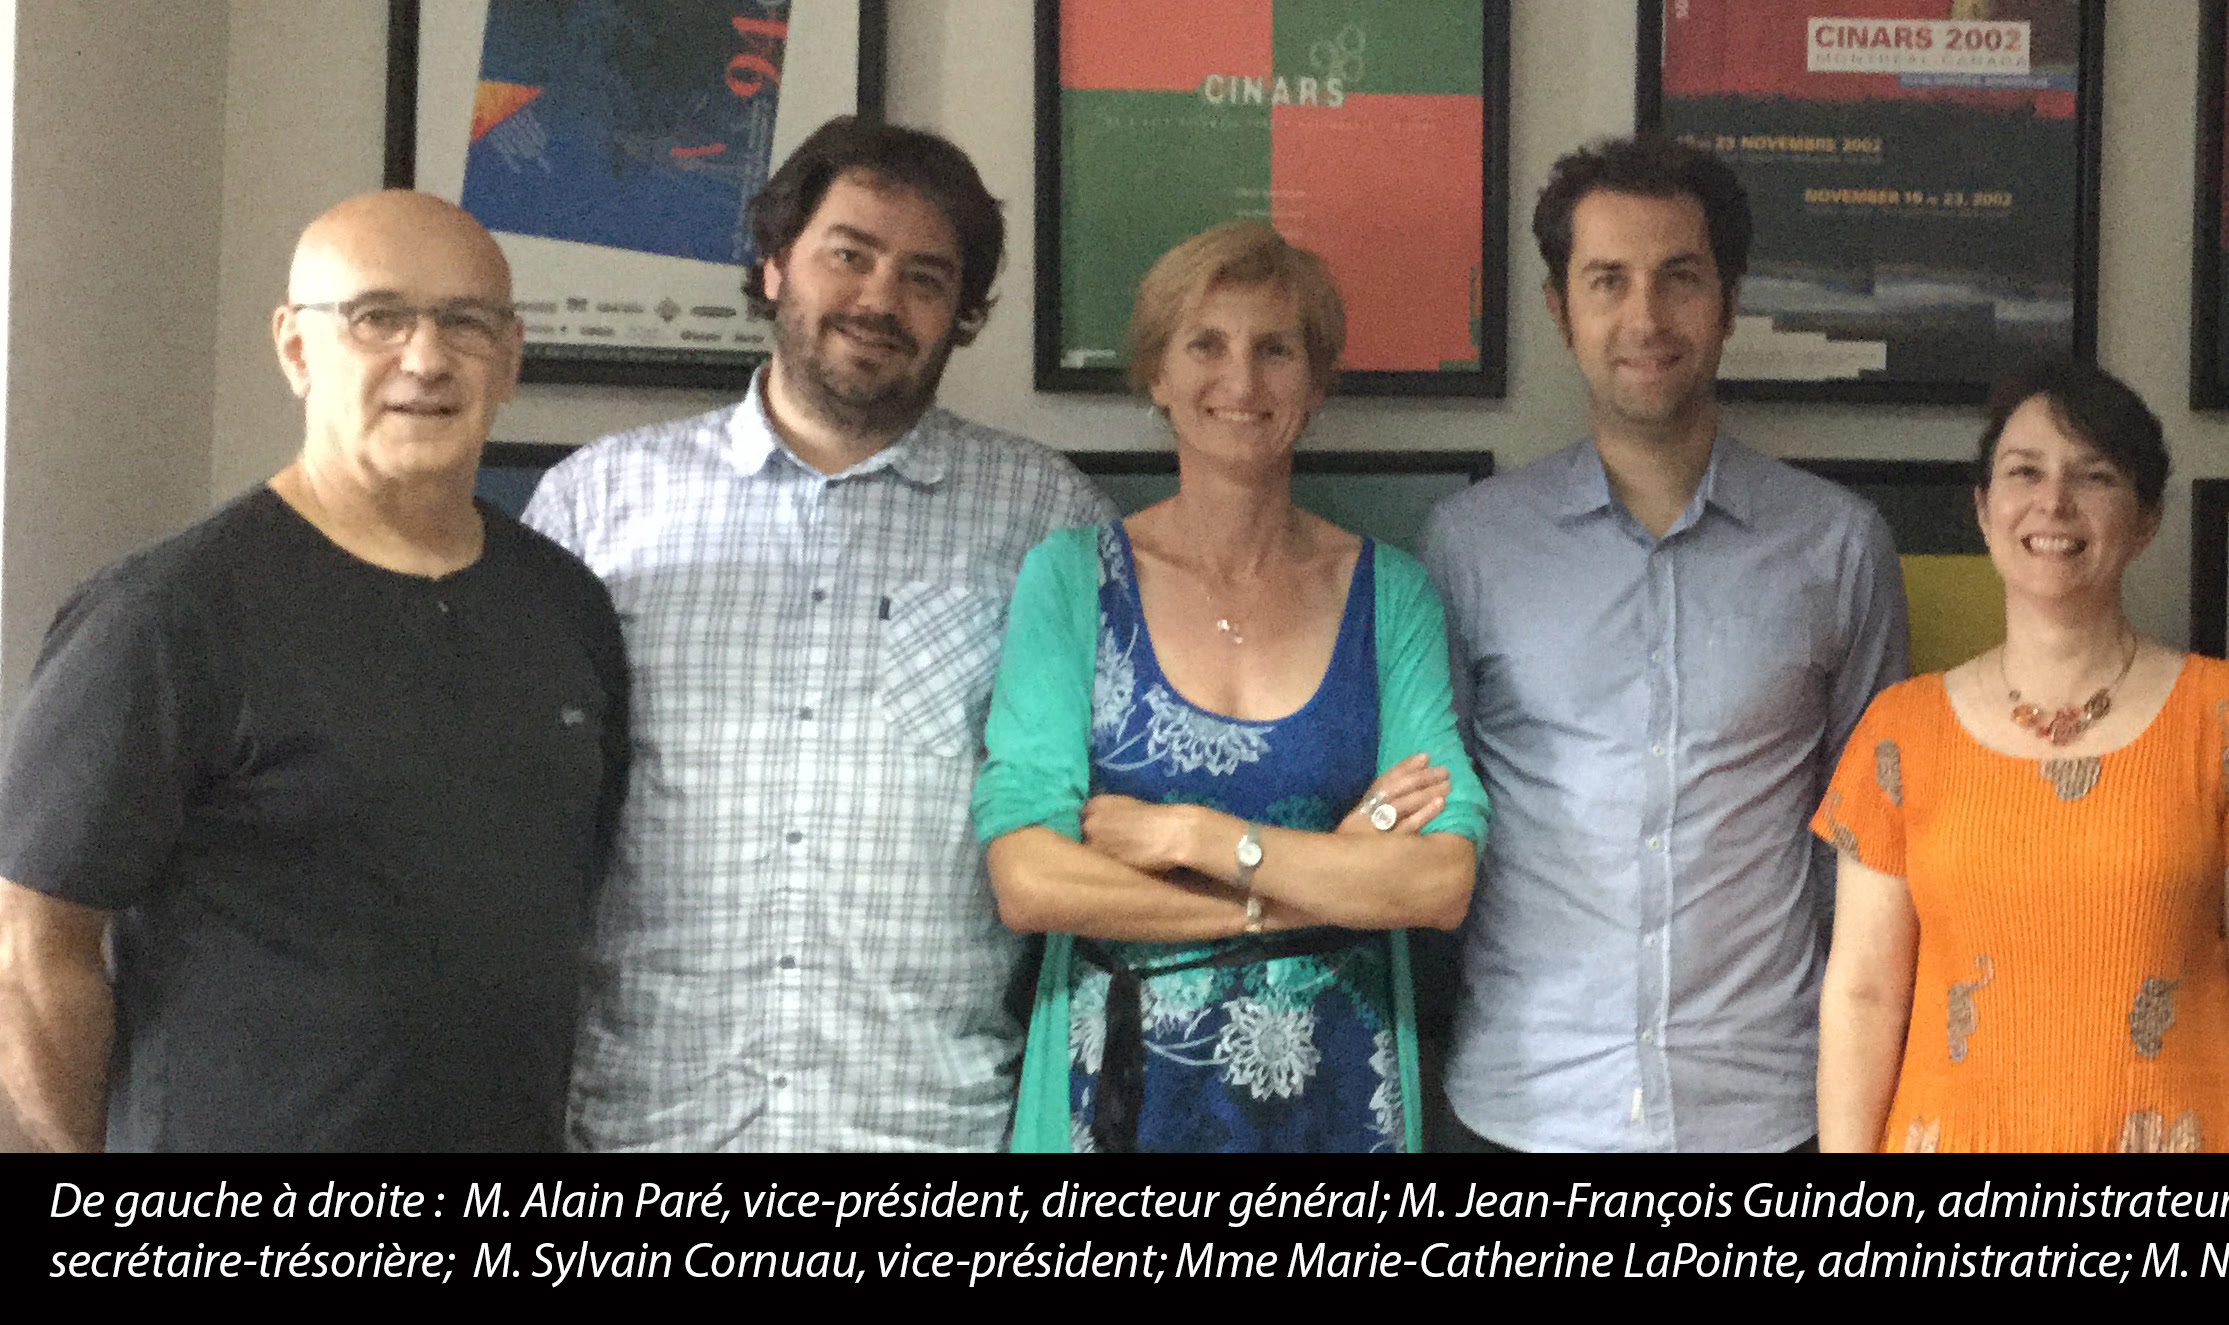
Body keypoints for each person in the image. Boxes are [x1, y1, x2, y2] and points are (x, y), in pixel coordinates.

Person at [524, 117, 1115, 1151]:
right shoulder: (596, 506)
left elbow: (1104, 800)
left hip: (926, 1124)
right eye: (850, 253)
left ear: (961, 313)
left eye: (927, 277)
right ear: (774, 264)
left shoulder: (1048, 521)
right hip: (650, 1121)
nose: (881, 299)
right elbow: (513, 819)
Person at [0, 191, 627, 1151]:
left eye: (466, 322)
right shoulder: (166, 616)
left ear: (510, 356)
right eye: (377, 318)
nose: (426, 357)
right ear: (297, 347)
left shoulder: (565, 604)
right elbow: (34, 955)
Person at [1421, 136, 1908, 1152]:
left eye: (1679, 279)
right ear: (1561, 310)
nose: (1644, 317)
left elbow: (1867, 855)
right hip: (1524, 1108)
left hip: (1769, 1112)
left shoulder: (1840, 543)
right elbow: (1439, 828)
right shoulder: (1470, 545)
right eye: (1609, 281)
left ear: (1729, 304)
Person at [974, 221, 1486, 1152]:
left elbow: (1438, 877)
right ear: (1156, 375)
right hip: (1113, 1099)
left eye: (1275, 349)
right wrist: (1304, 889)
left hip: (1343, 1103)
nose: (1241, 382)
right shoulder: (1070, 581)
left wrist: (1193, 836)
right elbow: (1031, 878)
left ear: (1316, 383)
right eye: (1205, 344)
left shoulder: (1391, 592)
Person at [1814, 357, 2229, 1153]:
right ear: (1984, 509)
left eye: (2093, 476)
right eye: (2023, 472)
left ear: (2145, 518)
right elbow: (1863, 994)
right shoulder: (1899, 732)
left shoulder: (2226, 714)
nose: (2053, 502)